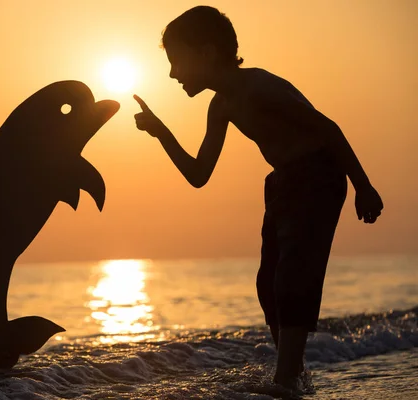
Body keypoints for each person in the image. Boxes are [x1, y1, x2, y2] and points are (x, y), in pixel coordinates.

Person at [133, 5, 384, 391]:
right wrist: (160, 132)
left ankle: (286, 378)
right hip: (284, 183)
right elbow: (199, 175)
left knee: (293, 276)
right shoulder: (221, 106)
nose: (172, 73)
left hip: (317, 177)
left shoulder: (259, 87)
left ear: (206, 53)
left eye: (176, 60)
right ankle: (294, 373)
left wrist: (363, 186)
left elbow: (327, 128)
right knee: (268, 284)